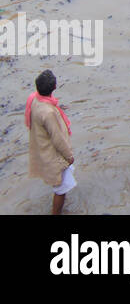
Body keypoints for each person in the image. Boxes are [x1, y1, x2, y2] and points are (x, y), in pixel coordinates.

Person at [27, 70, 75, 214]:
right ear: (54, 88)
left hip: (42, 147)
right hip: (53, 155)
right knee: (61, 188)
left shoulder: (33, 99)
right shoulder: (48, 112)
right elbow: (57, 138)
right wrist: (69, 156)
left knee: (60, 185)